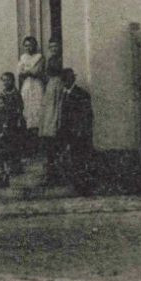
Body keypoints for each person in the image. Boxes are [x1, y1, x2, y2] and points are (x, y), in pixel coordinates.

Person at [56, 67, 96, 195]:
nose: (65, 82)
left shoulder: (81, 94)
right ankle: (77, 185)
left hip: (79, 134)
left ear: (72, 79)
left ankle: (84, 188)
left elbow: (86, 116)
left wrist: (80, 131)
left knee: (81, 160)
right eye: (63, 80)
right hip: (68, 133)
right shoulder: (64, 94)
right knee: (72, 160)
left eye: (67, 80)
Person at [0, 71, 26, 189]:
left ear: (13, 81)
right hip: (1, 127)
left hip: (12, 125)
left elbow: (20, 109)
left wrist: (15, 120)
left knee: (11, 152)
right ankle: (1, 178)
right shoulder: (2, 95)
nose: (6, 82)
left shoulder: (16, 94)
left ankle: (11, 173)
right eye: (4, 80)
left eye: (8, 80)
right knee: (0, 157)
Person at [15, 36, 46, 168]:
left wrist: (28, 71)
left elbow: (37, 72)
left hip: (37, 86)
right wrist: (27, 71)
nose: (28, 48)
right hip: (27, 86)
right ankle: (29, 149)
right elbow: (20, 73)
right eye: (26, 45)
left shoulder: (39, 57)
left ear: (35, 45)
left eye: (31, 45)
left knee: (38, 112)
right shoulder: (23, 58)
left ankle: (39, 147)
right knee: (26, 113)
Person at [37, 39, 65, 184]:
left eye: (56, 46)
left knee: (57, 109)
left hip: (59, 85)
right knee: (48, 112)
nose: (53, 48)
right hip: (50, 86)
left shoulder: (62, 59)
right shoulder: (49, 60)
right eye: (51, 47)